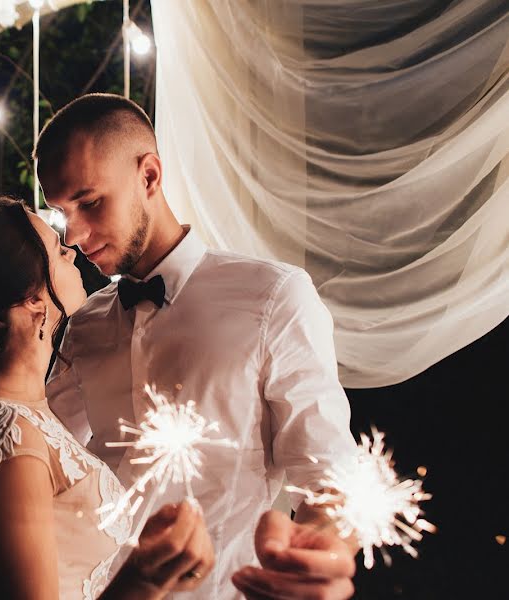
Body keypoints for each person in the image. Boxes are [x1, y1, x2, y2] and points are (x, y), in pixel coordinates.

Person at [38, 94, 359, 600]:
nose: (74, 234)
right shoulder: (85, 324)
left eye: (90, 202)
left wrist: (323, 551)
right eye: (62, 213)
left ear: (149, 177)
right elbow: (39, 457)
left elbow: (329, 474)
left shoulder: (274, 297)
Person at [0, 196, 215, 600]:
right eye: (56, 250)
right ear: (34, 300)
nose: (71, 251)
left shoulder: (26, 411)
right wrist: (145, 577)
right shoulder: (5, 438)